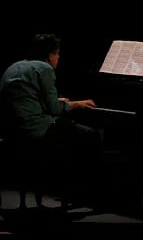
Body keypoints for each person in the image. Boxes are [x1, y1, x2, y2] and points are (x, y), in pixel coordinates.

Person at [0, 34, 102, 205]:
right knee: (90, 135)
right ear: (50, 55)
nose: (58, 58)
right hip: (37, 129)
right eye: (57, 54)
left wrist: (57, 101)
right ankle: (86, 191)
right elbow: (54, 109)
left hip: (13, 129)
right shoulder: (44, 68)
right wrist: (77, 104)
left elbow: (28, 98)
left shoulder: (15, 67)